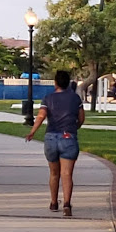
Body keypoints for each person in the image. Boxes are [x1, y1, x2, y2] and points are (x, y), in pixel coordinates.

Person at [25, 70, 84, 217]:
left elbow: (41, 116)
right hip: (68, 137)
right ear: (68, 82)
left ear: (55, 83)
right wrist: (73, 128)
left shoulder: (48, 98)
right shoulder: (75, 98)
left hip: (51, 138)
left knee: (54, 173)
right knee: (67, 173)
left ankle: (53, 202)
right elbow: (81, 118)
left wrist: (33, 131)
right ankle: (67, 204)